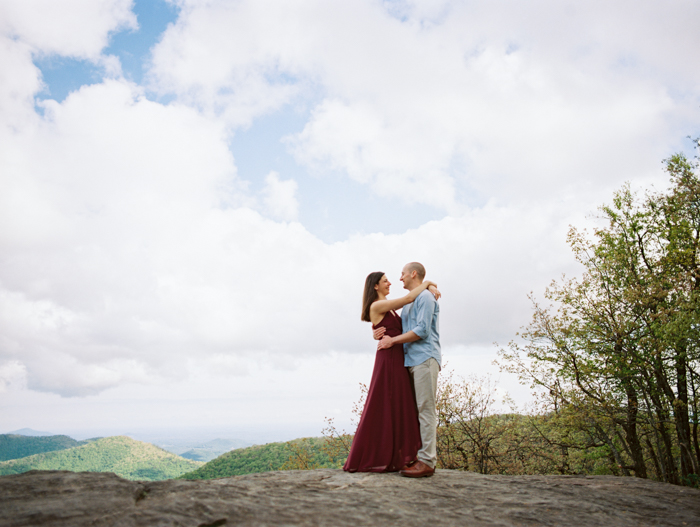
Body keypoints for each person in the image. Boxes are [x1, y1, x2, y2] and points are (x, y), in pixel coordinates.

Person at [343, 271, 440, 473]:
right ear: (375, 286)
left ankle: (401, 454)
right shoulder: (378, 305)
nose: (390, 283)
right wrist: (429, 282)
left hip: (400, 357)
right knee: (385, 403)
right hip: (390, 359)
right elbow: (408, 298)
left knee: (401, 405)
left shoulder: (389, 308)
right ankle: (381, 455)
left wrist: (428, 288)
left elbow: (391, 327)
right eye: (385, 281)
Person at [375, 262, 441, 478]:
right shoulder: (410, 302)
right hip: (409, 361)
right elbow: (394, 326)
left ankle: (427, 461)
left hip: (425, 358)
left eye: (402, 274)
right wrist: (377, 333)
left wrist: (392, 341)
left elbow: (421, 331)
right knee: (414, 411)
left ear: (413, 274)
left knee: (426, 409)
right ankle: (416, 455)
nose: (399, 278)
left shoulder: (425, 298)